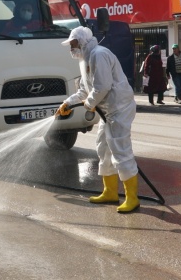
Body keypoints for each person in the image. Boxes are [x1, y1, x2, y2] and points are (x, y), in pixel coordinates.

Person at [55, 26, 140, 213]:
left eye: (73, 44)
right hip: (108, 110)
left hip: (119, 108)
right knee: (103, 148)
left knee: (120, 150)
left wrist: (90, 103)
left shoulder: (99, 54)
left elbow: (102, 87)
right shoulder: (85, 58)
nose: (71, 48)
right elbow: (85, 90)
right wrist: (67, 103)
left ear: (83, 41)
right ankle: (110, 192)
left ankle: (132, 198)